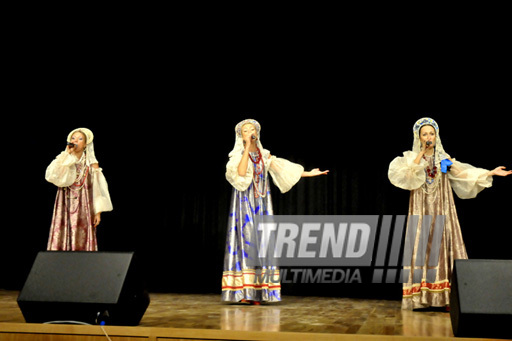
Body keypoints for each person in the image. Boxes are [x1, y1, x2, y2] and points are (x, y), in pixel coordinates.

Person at [388, 117, 511, 311]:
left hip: (441, 206)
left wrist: (489, 173)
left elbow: (464, 174)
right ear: (418, 137)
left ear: (436, 136)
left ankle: (447, 298)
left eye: (432, 133)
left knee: (445, 242)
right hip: (421, 208)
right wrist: (422, 153)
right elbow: (407, 175)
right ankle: (421, 297)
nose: (429, 137)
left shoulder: (443, 158)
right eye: (425, 134)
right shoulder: (412, 159)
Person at [222, 119, 329, 304]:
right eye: (246, 130)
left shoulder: (265, 156)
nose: (250, 132)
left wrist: (310, 173)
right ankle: (245, 293)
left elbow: (285, 169)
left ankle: (260, 292)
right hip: (244, 204)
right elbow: (240, 173)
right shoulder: (237, 156)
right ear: (241, 135)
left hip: (262, 205)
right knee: (247, 243)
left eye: (253, 129)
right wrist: (246, 147)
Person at [45, 128, 113, 251]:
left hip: (84, 204)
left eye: (80, 139)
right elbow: (52, 176)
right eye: (73, 138)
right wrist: (66, 155)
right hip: (65, 202)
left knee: (82, 234)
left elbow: (97, 187)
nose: (75, 141)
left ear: (86, 144)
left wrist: (98, 211)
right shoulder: (64, 159)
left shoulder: (91, 164)